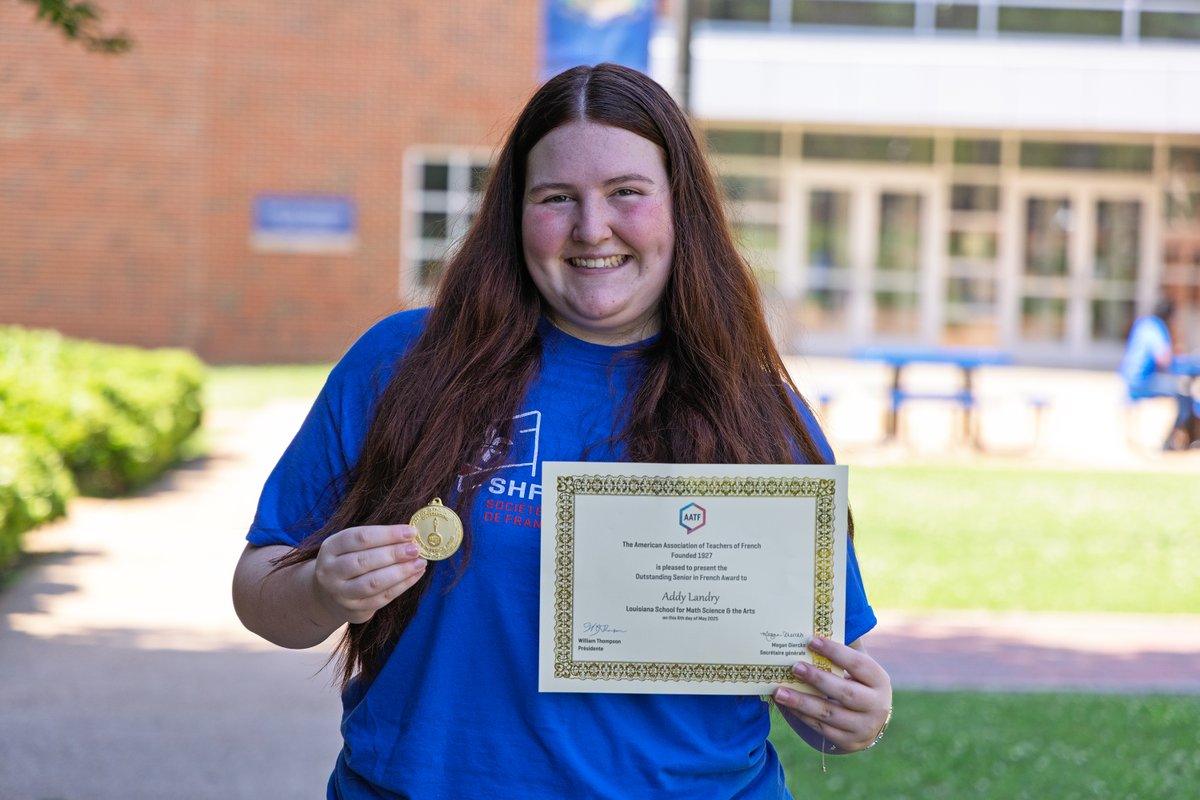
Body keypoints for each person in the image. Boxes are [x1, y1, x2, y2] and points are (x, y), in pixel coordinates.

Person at [232, 63, 893, 798]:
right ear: (516, 213)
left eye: (626, 194)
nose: (591, 228)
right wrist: (323, 590)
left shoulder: (756, 411)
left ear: (682, 209)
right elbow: (260, 590)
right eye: (557, 198)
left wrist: (850, 715)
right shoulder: (401, 364)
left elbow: (815, 679)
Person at [1120, 298, 1196, 450]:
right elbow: (1163, 358)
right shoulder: (1158, 327)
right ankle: (1172, 440)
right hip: (1143, 380)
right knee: (1182, 392)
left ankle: (1174, 438)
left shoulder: (1143, 324)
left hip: (1127, 377)